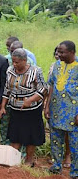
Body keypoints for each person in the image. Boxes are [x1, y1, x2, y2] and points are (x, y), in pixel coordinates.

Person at [0, 48, 47, 166]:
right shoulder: (10, 70)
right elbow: (7, 89)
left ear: (25, 60)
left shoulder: (36, 71)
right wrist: (3, 106)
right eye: (13, 62)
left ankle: (29, 160)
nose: (14, 64)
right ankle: (13, 160)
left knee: (31, 135)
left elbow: (43, 89)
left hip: (31, 110)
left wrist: (29, 100)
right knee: (15, 135)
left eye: (17, 62)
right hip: (15, 109)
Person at [45, 41, 78, 178]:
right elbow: (52, 85)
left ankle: (75, 171)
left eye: (62, 52)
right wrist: (47, 106)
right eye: (58, 51)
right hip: (56, 109)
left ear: (72, 52)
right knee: (55, 139)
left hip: (73, 112)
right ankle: (56, 166)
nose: (58, 54)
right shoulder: (57, 65)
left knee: (75, 143)